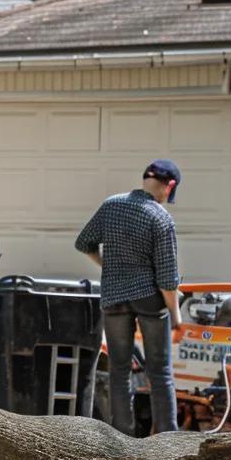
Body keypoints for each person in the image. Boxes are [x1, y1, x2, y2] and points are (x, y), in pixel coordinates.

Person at [76, 160, 183, 435]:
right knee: (160, 372)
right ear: (168, 187)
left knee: (119, 370)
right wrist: (176, 316)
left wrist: (108, 265)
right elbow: (168, 278)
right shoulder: (160, 218)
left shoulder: (111, 205)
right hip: (149, 298)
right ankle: (168, 437)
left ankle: (122, 436)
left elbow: (83, 242)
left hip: (113, 296)